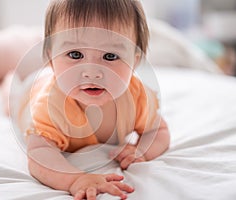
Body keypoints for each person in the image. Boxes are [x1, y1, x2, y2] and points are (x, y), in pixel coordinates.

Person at [15, 0, 170, 199]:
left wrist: (141, 152)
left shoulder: (136, 96)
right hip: (31, 91)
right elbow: (39, 154)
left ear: (135, 60)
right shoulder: (48, 105)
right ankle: (5, 82)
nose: (92, 72)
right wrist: (75, 179)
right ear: (51, 59)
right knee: (10, 99)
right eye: (75, 54)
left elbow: (159, 130)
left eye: (111, 56)